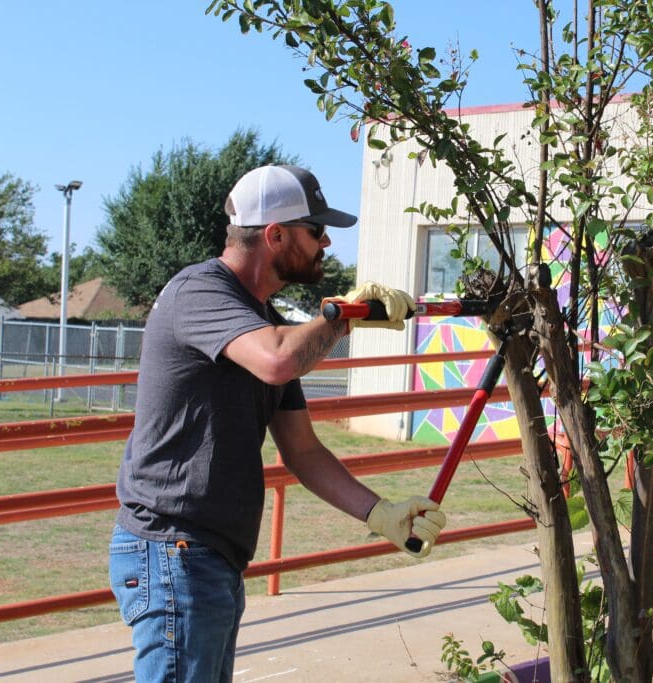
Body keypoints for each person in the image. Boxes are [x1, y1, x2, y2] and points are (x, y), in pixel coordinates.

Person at [109, 164, 446, 682]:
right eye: (316, 231)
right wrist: (344, 315)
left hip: (208, 558)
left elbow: (303, 450)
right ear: (275, 235)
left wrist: (380, 513)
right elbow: (278, 360)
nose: (327, 243)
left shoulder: (262, 323)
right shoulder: (198, 292)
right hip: (173, 548)